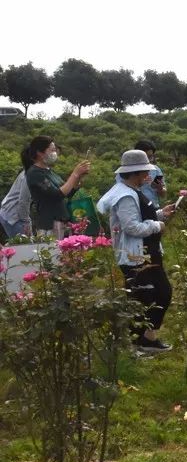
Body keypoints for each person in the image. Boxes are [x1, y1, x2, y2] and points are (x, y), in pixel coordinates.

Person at [97, 150, 176, 354]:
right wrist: (157, 226)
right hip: (135, 255)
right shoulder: (124, 195)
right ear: (135, 173)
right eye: (144, 173)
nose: (148, 177)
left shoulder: (131, 190)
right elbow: (131, 226)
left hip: (147, 252)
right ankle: (138, 344)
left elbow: (140, 216)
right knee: (143, 297)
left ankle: (147, 339)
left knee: (160, 293)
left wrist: (160, 214)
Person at [24, 136, 91, 239]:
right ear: (40, 153)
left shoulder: (49, 171)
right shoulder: (35, 173)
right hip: (49, 224)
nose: (54, 153)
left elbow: (67, 193)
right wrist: (75, 174)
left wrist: (78, 178)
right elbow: (57, 194)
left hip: (61, 222)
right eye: (52, 150)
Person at [0, 147, 33, 240]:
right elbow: (23, 201)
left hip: (8, 212)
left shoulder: (28, 172)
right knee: (25, 247)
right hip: (13, 216)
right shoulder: (29, 176)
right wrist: (26, 222)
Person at [132, 139, 166, 209]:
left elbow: (163, 194)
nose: (148, 160)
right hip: (135, 208)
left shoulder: (155, 170)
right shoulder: (127, 171)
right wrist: (140, 182)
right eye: (145, 157)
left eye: (150, 156)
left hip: (153, 208)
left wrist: (159, 188)